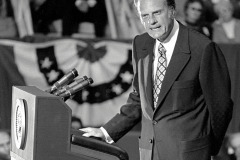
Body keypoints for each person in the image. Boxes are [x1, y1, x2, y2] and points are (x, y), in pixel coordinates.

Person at [80, 0, 233, 160]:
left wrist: (207, 147)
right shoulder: (140, 43)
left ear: (172, 11)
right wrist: (105, 132)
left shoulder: (202, 48)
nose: (151, 21)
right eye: (144, 15)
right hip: (149, 153)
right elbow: (139, 99)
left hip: (188, 154)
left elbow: (220, 107)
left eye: (157, 13)